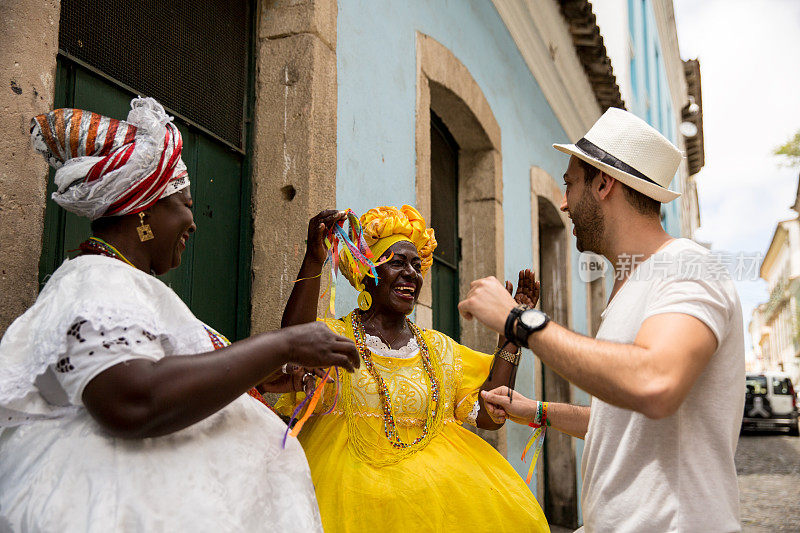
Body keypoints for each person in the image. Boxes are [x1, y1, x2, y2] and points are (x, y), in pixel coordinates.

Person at [0, 97, 360, 532]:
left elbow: (154, 372)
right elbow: (130, 399)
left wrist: (262, 374)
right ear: (145, 210)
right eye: (185, 204)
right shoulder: (97, 280)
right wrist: (283, 345)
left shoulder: (122, 283)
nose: (193, 222)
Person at [459, 108, 745, 532]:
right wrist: (535, 410)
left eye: (570, 183)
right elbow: (624, 422)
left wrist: (518, 321)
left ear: (604, 183)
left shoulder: (687, 266)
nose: (562, 202)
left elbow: (655, 384)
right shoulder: (631, 285)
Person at [276, 205, 550, 532]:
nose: (411, 273)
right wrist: (313, 258)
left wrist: (512, 335)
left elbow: (489, 417)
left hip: (436, 506)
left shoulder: (439, 349)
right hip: (347, 497)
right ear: (368, 275)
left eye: (417, 265)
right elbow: (292, 347)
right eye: (397, 262)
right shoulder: (335, 338)